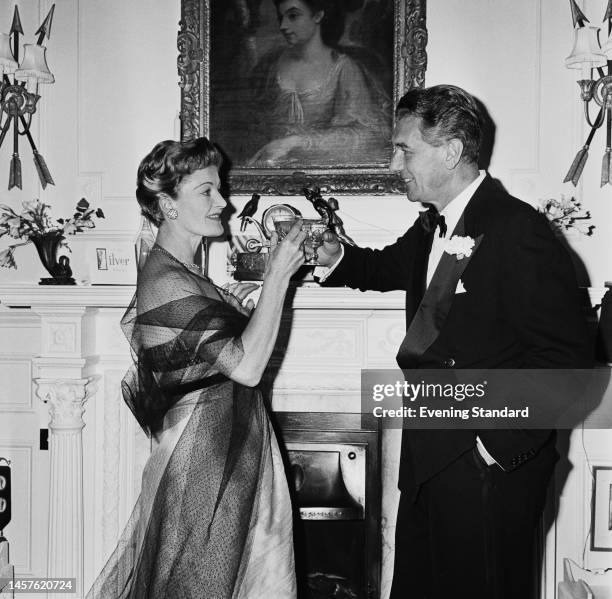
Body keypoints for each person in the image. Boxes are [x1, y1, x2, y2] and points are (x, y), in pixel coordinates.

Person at [316, 85, 593, 598]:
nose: (394, 162)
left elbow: (570, 362)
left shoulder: (518, 230)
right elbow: (383, 266)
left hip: (489, 467)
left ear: (450, 152)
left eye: (405, 149)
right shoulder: (430, 226)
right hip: (428, 459)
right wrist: (333, 256)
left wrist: (492, 447)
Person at [86, 137, 306, 598]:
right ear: (167, 204)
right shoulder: (166, 280)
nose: (223, 202)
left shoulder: (185, 274)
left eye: (219, 188)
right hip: (202, 469)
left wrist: (241, 304)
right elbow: (245, 368)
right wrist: (276, 280)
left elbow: (223, 354)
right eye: (206, 191)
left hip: (226, 459)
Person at [244, 0, 391, 167]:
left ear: (318, 15)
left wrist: (297, 142)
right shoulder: (269, 66)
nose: (283, 26)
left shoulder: (344, 68)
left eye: (293, 16)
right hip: (270, 175)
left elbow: (367, 136)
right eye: (281, 17)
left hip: (321, 173)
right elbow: (251, 129)